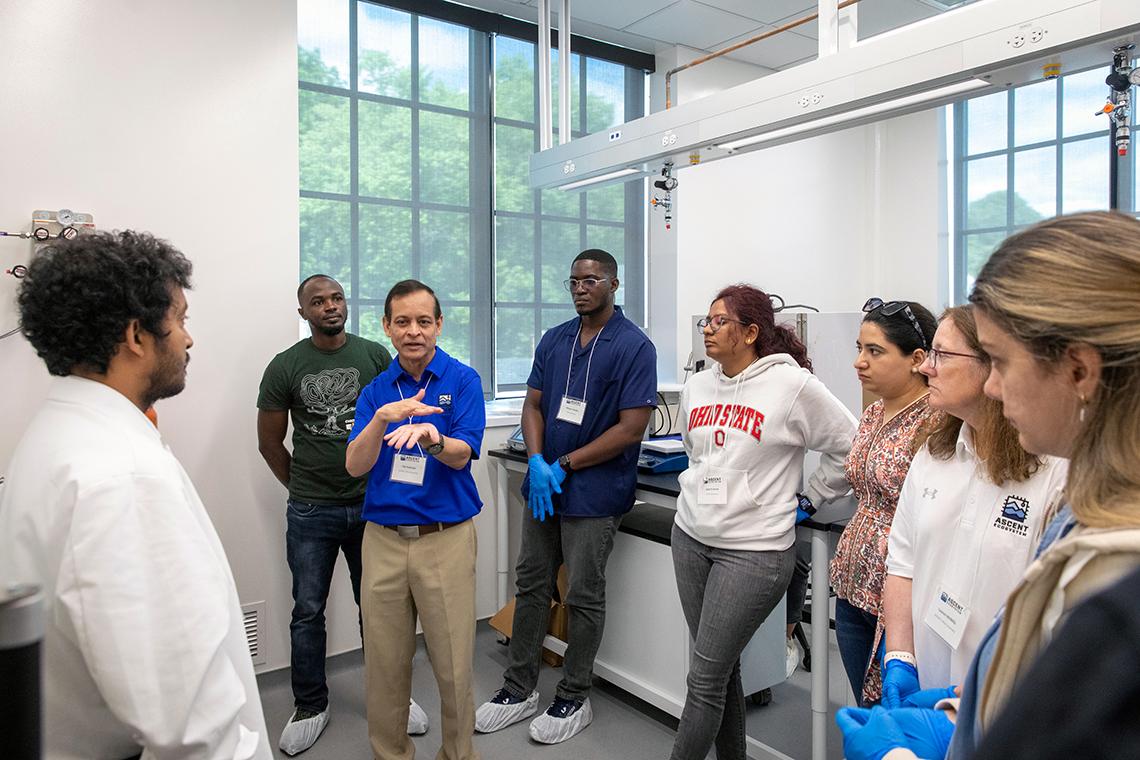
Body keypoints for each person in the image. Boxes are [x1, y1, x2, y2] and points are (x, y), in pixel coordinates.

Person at [835, 211, 1140, 759]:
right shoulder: (1087, 515)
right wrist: (961, 709)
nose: (994, 385)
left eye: (999, 360)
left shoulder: (1114, 573)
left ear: (1079, 371)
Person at [0, 231, 271, 759]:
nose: (188, 339)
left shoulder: (58, 434)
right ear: (136, 335)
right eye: (181, 319)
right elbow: (190, 730)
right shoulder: (120, 477)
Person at [475, 249, 657, 744]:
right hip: (546, 486)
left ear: (614, 284)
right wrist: (536, 462)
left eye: (591, 280)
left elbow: (631, 429)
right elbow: (533, 404)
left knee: (582, 593)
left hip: (594, 492)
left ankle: (574, 695)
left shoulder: (634, 346)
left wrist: (565, 463)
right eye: (573, 280)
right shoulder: (555, 340)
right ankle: (518, 688)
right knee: (532, 582)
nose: (580, 287)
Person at [669, 284, 858, 760]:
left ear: (751, 332)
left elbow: (850, 445)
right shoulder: (697, 386)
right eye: (705, 323)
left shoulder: (791, 386)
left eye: (719, 322)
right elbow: (698, 454)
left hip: (754, 552)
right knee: (721, 669)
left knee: (704, 675)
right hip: (691, 538)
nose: (707, 331)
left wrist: (812, 498)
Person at [257, 274, 429, 754]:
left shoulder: (374, 354)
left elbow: (405, 412)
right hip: (312, 511)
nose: (330, 306)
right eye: (318, 301)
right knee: (307, 611)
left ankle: (393, 698)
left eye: (336, 298)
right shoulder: (285, 366)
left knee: (380, 611)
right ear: (303, 312)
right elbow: (269, 443)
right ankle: (310, 704)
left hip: (372, 506)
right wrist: (304, 488)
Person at [879, 306, 1068, 708]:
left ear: (994, 367)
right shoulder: (934, 454)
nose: (926, 368)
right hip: (928, 678)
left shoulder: (1053, 470)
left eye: (941, 355)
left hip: (1005, 701)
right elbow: (902, 562)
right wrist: (900, 657)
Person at [345, 279, 485, 760]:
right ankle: (391, 753)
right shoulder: (376, 392)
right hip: (382, 541)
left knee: (452, 664)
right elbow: (355, 465)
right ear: (387, 327)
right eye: (402, 321)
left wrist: (433, 438)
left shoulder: (462, 380)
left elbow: (464, 451)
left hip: (444, 538)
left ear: (439, 325)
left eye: (424, 321)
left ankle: (458, 754)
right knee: (384, 666)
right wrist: (382, 419)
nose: (413, 331)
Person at [829, 298, 940, 703]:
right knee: (866, 703)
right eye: (859, 348)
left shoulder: (937, 422)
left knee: (895, 711)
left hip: (900, 595)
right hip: (853, 585)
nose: (860, 361)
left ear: (917, 358)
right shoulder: (874, 412)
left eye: (874, 351)